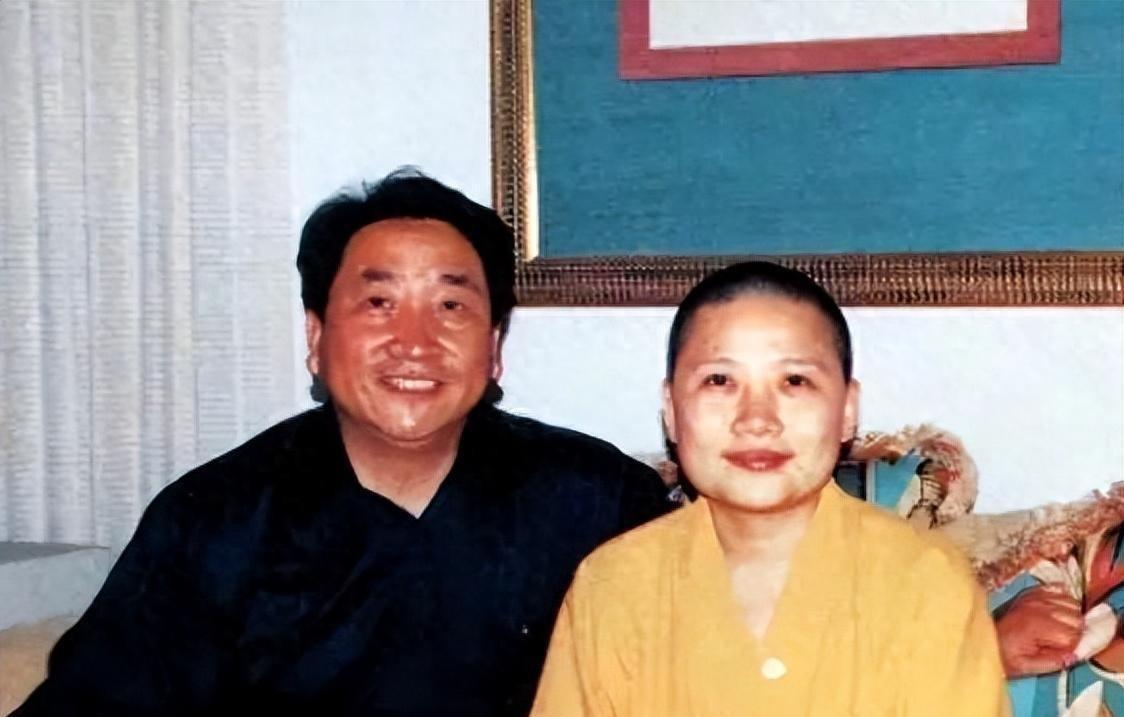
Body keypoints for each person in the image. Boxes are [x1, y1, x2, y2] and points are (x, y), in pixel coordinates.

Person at [15, 169, 672, 716]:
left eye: (450, 306)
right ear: (316, 337)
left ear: (494, 347)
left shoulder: (598, 501)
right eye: (378, 303)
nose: (414, 342)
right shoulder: (215, 519)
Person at [531, 261, 1011, 715]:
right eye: (719, 380)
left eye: (794, 381)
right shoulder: (613, 587)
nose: (756, 419)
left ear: (847, 409)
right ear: (672, 411)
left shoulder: (924, 581)